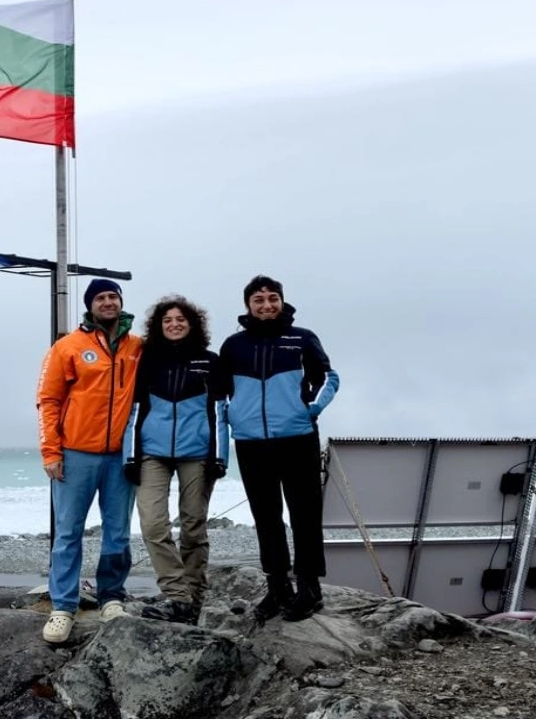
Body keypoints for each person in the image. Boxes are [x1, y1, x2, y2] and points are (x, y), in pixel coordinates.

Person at [219, 275, 340, 621]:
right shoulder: (233, 346)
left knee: (304, 514)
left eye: (272, 298)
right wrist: (234, 420)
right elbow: (222, 393)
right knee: (266, 517)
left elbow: (329, 378)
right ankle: (277, 589)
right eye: (258, 300)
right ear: (248, 306)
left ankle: (309, 589)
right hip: (251, 443)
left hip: (297, 438)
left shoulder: (301, 339)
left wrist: (310, 408)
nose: (266, 305)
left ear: (281, 301)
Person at [36, 278, 143, 643]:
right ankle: (63, 606)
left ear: (121, 302)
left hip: (120, 457)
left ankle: (111, 597)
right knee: (68, 534)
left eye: (113, 296)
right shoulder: (68, 347)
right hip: (75, 454)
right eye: (101, 298)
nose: (108, 302)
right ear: (90, 305)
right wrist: (51, 451)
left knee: (118, 533)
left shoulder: (138, 347)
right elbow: (48, 401)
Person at [122, 295, 229, 625]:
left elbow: (220, 412)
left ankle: (192, 600)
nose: (174, 324)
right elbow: (134, 411)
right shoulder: (147, 360)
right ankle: (176, 594)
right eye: (167, 320)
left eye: (180, 319)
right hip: (152, 453)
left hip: (197, 455)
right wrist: (130, 456)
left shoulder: (210, 361)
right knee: (153, 524)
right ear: (159, 326)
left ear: (192, 323)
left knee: (193, 527)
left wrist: (220, 457)